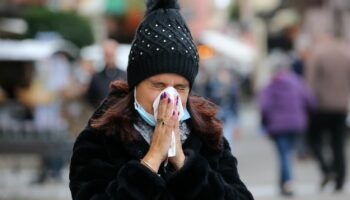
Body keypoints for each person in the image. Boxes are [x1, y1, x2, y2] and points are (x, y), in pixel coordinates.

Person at [69, 0, 254, 199]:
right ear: (135, 85)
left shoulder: (207, 135)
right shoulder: (101, 137)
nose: (169, 96)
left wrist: (184, 164)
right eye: (158, 85)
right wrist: (151, 160)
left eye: (180, 88)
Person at [259, 51, 315, 196]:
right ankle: (283, 183)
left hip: (278, 126)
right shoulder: (297, 81)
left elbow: (264, 107)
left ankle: (288, 182)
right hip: (297, 124)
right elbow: (310, 101)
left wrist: (265, 124)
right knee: (287, 153)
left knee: (284, 154)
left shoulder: (270, 85)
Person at [305, 31, 350, 192]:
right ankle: (340, 179)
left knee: (314, 139)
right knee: (338, 143)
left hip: (321, 107)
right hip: (341, 107)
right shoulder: (346, 53)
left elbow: (310, 83)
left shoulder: (317, 54)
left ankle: (327, 169)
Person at [86, 39, 127, 108]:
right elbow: (90, 98)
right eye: (107, 55)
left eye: (111, 55)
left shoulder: (125, 76)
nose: (110, 58)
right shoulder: (96, 77)